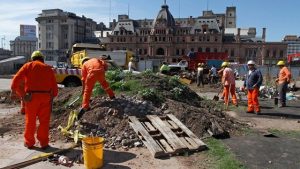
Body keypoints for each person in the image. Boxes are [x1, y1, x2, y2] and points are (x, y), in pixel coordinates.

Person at [10, 51, 58, 149]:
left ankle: (29, 142)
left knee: (30, 121)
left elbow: (16, 80)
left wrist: (21, 94)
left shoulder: (28, 66)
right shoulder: (48, 68)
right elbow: (54, 87)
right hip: (45, 97)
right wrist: (51, 96)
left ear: (32, 58)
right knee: (44, 122)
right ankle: (44, 143)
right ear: (42, 59)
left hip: (31, 98)